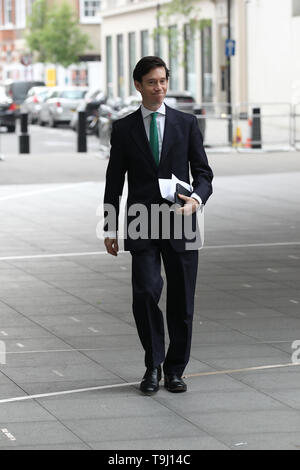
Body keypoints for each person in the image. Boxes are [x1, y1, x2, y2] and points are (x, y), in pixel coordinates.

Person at [103, 56, 213, 395]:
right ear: (138, 85)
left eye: (163, 80)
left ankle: (175, 370)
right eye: (152, 82)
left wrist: (197, 199)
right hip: (142, 223)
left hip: (180, 221)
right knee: (145, 293)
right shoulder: (123, 129)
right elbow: (113, 182)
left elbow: (204, 174)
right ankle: (152, 365)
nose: (159, 87)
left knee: (182, 301)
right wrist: (110, 227)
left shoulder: (186, 123)